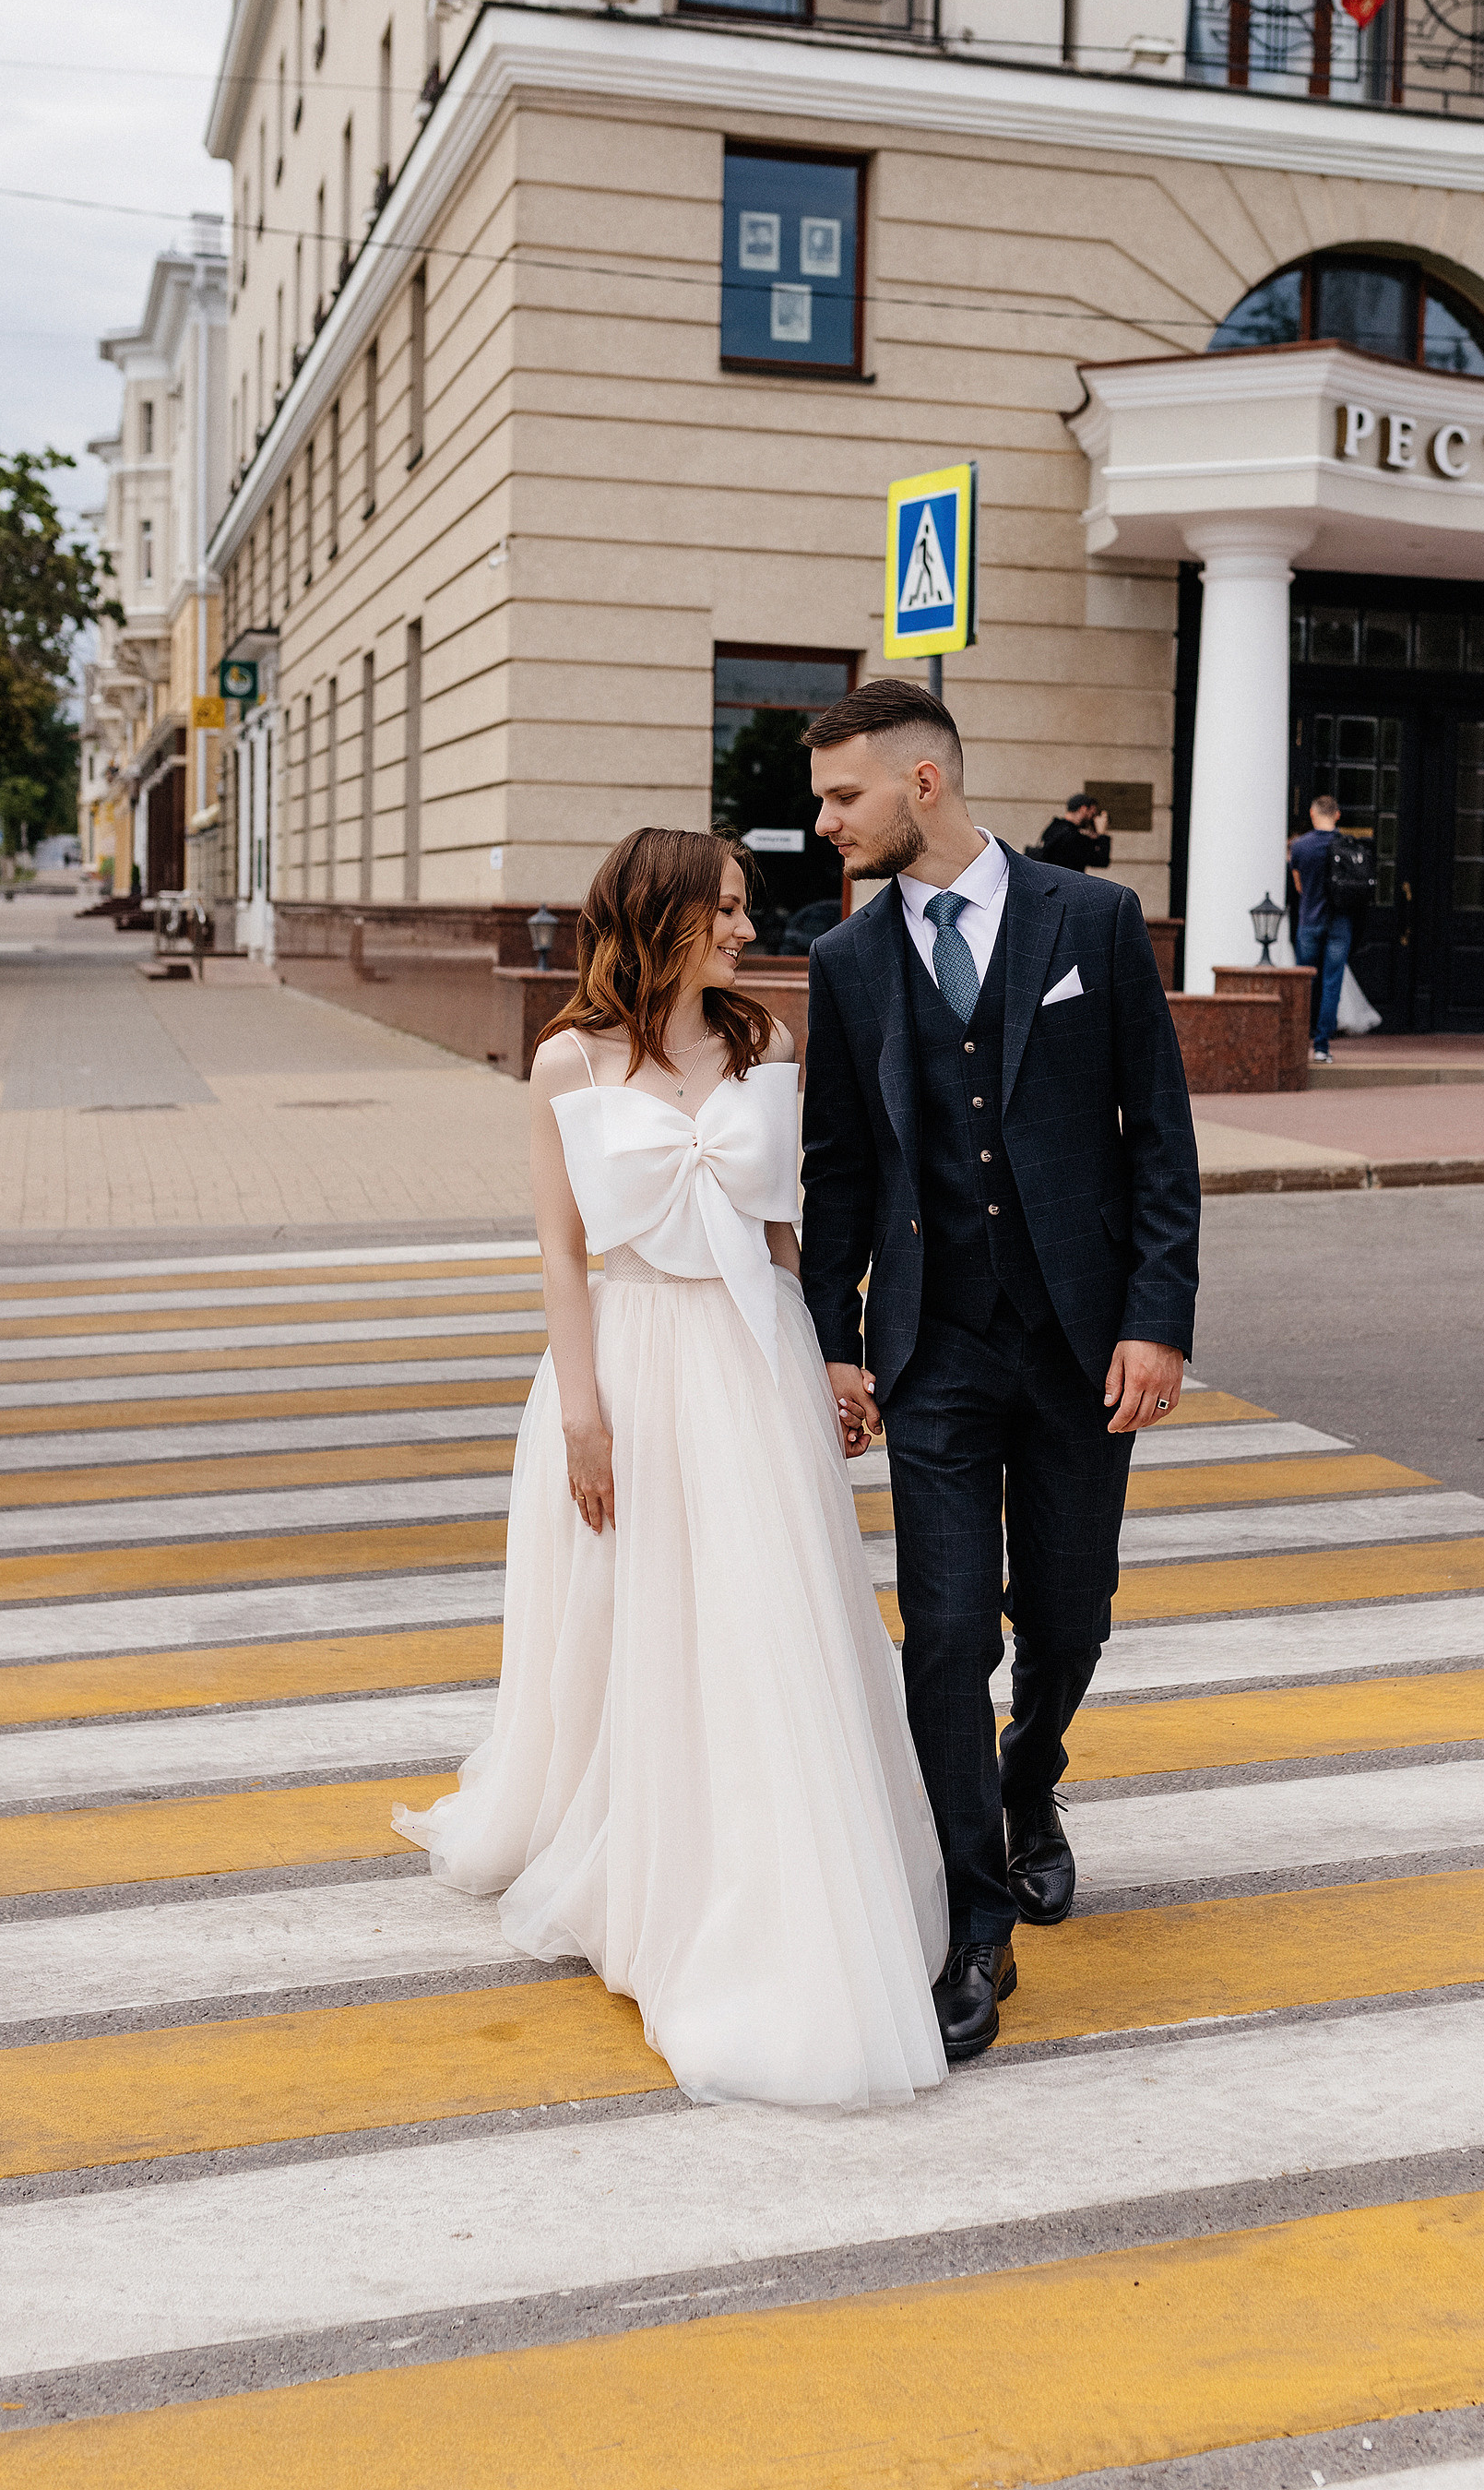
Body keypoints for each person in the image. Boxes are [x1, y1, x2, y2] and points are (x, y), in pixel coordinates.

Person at [394, 828, 948, 2111]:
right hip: (629, 1362)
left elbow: (782, 1227)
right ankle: (630, 1841)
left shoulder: (767, 1045)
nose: (751, 932)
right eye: (731, 912)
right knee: (633, 1617)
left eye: (749, 912)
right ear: (662, 919)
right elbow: (558, 1256)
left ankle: (773, 1863)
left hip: (753, 1355)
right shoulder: (564, 1062)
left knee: (767, 1618)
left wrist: (831, 1361)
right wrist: (582, 1415)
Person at [800, 679, 1200, 2063]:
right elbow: (839, 1169)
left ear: (924, 784)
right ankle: (977, 1923)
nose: (823, 820)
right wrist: (835, 1345)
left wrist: (1159, 1318)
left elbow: (1158, 1134)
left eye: (842, 796)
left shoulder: (1090, 920)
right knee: (952, 1630)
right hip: (935, 1349)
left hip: (1083, 1342)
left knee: (1071, 1616)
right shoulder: (846, 963)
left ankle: (1035, 1782)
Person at [1288, 793, 1351, 1066]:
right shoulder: (1348, 845)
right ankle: (1322, 1046)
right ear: (1337, 815)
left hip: (1309, 921)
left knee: (1306, 983)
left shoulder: (1300, 847)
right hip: (1340, 921)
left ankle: (1301, 1041)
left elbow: (1299, 886)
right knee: (1331, 983)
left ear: (1313, 815)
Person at [1036, 793, 1111, 873]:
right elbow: (1101, 860)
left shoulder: (1056, 827)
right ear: (1083, 809)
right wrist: (1102, 834)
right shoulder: (1071, 836)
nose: (1093, 819)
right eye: (1092, 814)